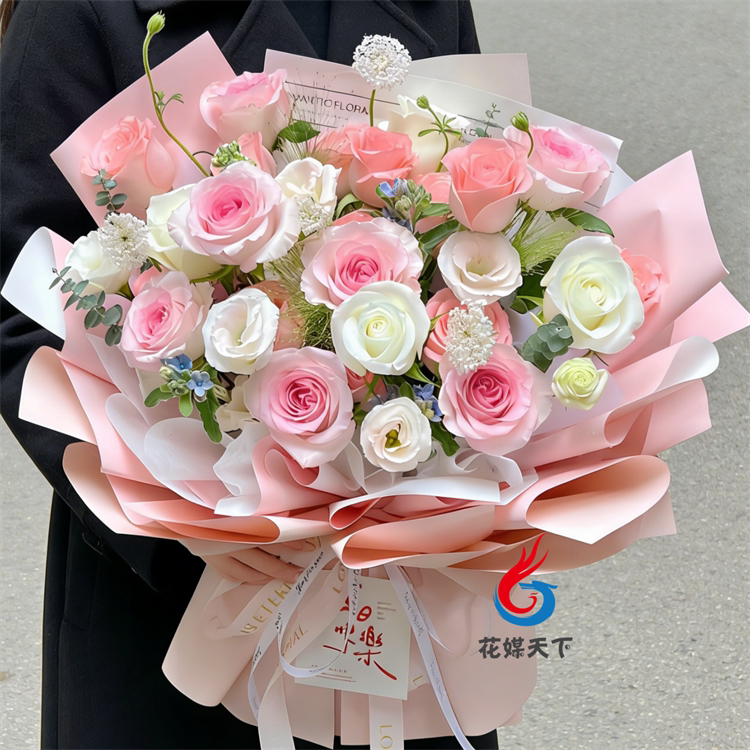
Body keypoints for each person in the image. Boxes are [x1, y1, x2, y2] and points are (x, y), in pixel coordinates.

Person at [0, 1, 500, 748]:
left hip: (400, 573)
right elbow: (20, 298)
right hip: (178, 588)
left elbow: (476, 218)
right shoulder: (81, 12)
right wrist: (178, 523)